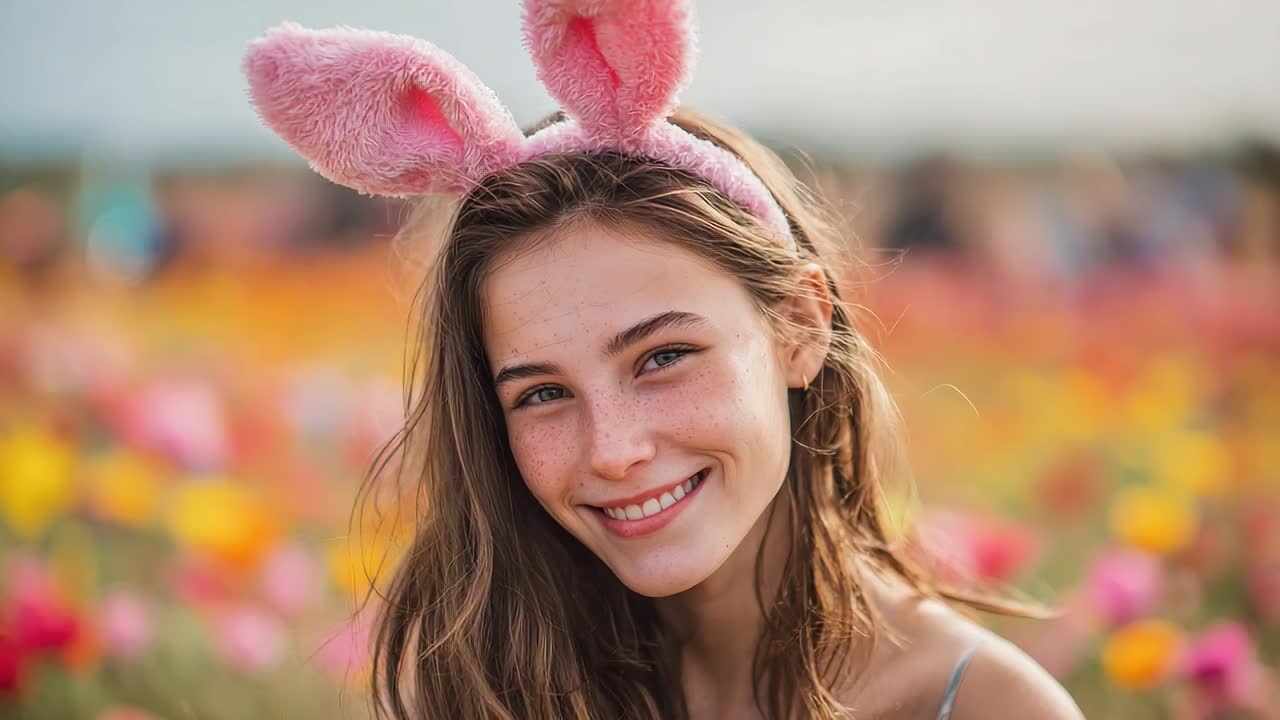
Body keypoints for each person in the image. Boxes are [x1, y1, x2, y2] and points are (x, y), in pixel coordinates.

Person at [243, 2, 1086, 718]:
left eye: (664, 356)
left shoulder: (985, 706)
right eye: (541, 394)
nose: (613, 450)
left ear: (800, 326)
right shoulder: (481, 687)